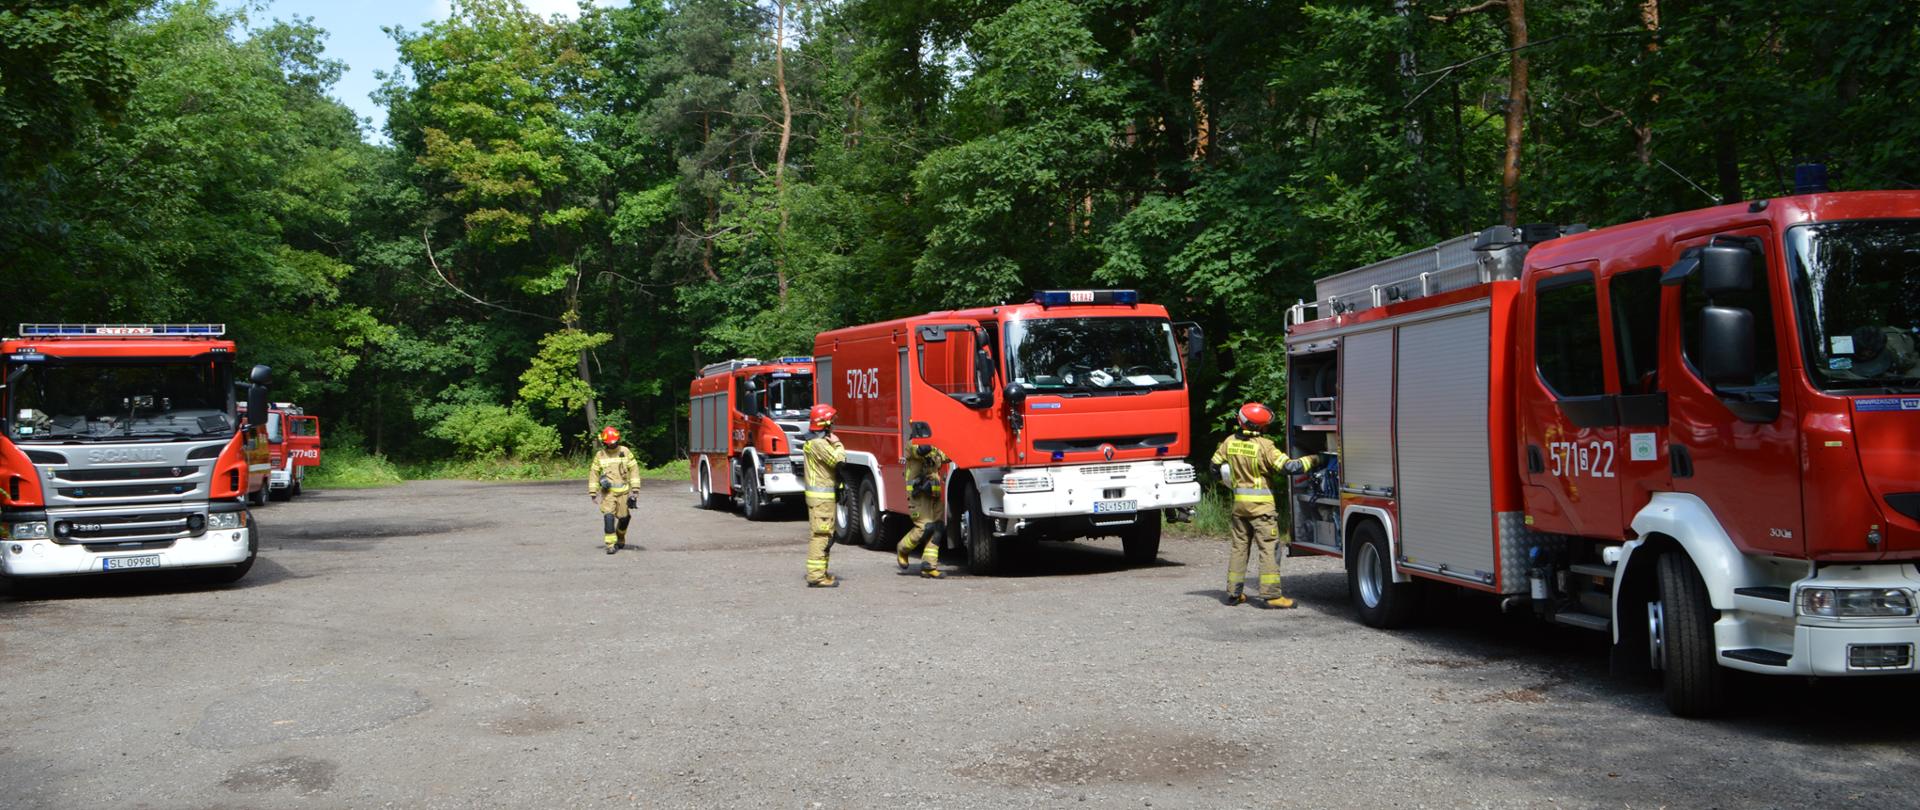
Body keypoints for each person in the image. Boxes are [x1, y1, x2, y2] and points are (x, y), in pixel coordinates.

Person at [1210, 402, 1325, 609]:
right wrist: (1316, 458)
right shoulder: (1265, 446)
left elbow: (1214, 468)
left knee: (1239, 548)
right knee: (1269, 549)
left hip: (1239, 507)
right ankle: (1272, 596)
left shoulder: (1229, 442)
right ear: (1261, 426)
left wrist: (1230, 485)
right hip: (1261, 510)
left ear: (1242, 421)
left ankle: (1233, 593)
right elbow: (1290, 467)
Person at [801, 404, 846, 587]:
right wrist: (837, 443)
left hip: (821, 499)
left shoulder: (815, 442)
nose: (833, 425)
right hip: (822, 500)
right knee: (821, 535)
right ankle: (816, 576)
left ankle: (821, 573)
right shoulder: (819, 444)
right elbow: (838, 460)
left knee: (825, 534)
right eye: (832, 422)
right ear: (824, 423)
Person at [896, 441, 949, 578]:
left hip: (934, 495)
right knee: (924, 527)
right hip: (919, 496)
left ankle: (929, 566)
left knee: (938, 527)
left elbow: (945, 456)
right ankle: (902, 548)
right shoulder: (912, 445)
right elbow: (921, 451)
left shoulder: (935, 448)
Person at [588, 426, 642, 555]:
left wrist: (635, 490)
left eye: (614, 442)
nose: (612, 445)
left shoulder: (625, 451)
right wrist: (593, 492)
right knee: (608, 516)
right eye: (609, 443)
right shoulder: (600, 455)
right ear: (604, 442)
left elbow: (634, 470)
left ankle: (620, 536)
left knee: (624, 518)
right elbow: (594, 473)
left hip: (623, 492)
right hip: (608, 494)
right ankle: (610, 544)